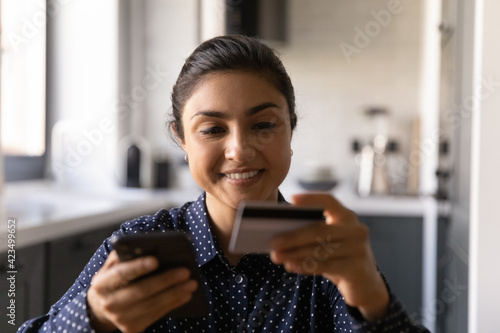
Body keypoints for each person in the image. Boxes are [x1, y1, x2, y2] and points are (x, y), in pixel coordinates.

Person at [18, 35, 429, 333]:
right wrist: (96, 320)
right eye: (212, 129)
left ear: (291, 129)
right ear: (181, 139)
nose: (239, 149)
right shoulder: (139, 244)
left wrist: (373, 298)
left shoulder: (326, 254)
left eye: (263, 125)